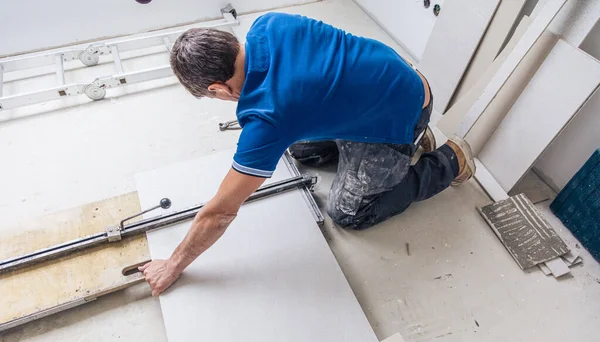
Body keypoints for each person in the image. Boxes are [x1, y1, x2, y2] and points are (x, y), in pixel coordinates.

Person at [139, 12, 475, 295]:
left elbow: (220, 213)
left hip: (403, 111)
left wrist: (173, 264)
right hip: (396, 79)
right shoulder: (267, 24)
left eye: (215, 97)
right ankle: (407, 137)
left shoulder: (271, 116)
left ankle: (448, 160)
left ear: (217, 88)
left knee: (350, 213)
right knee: (300, 150)